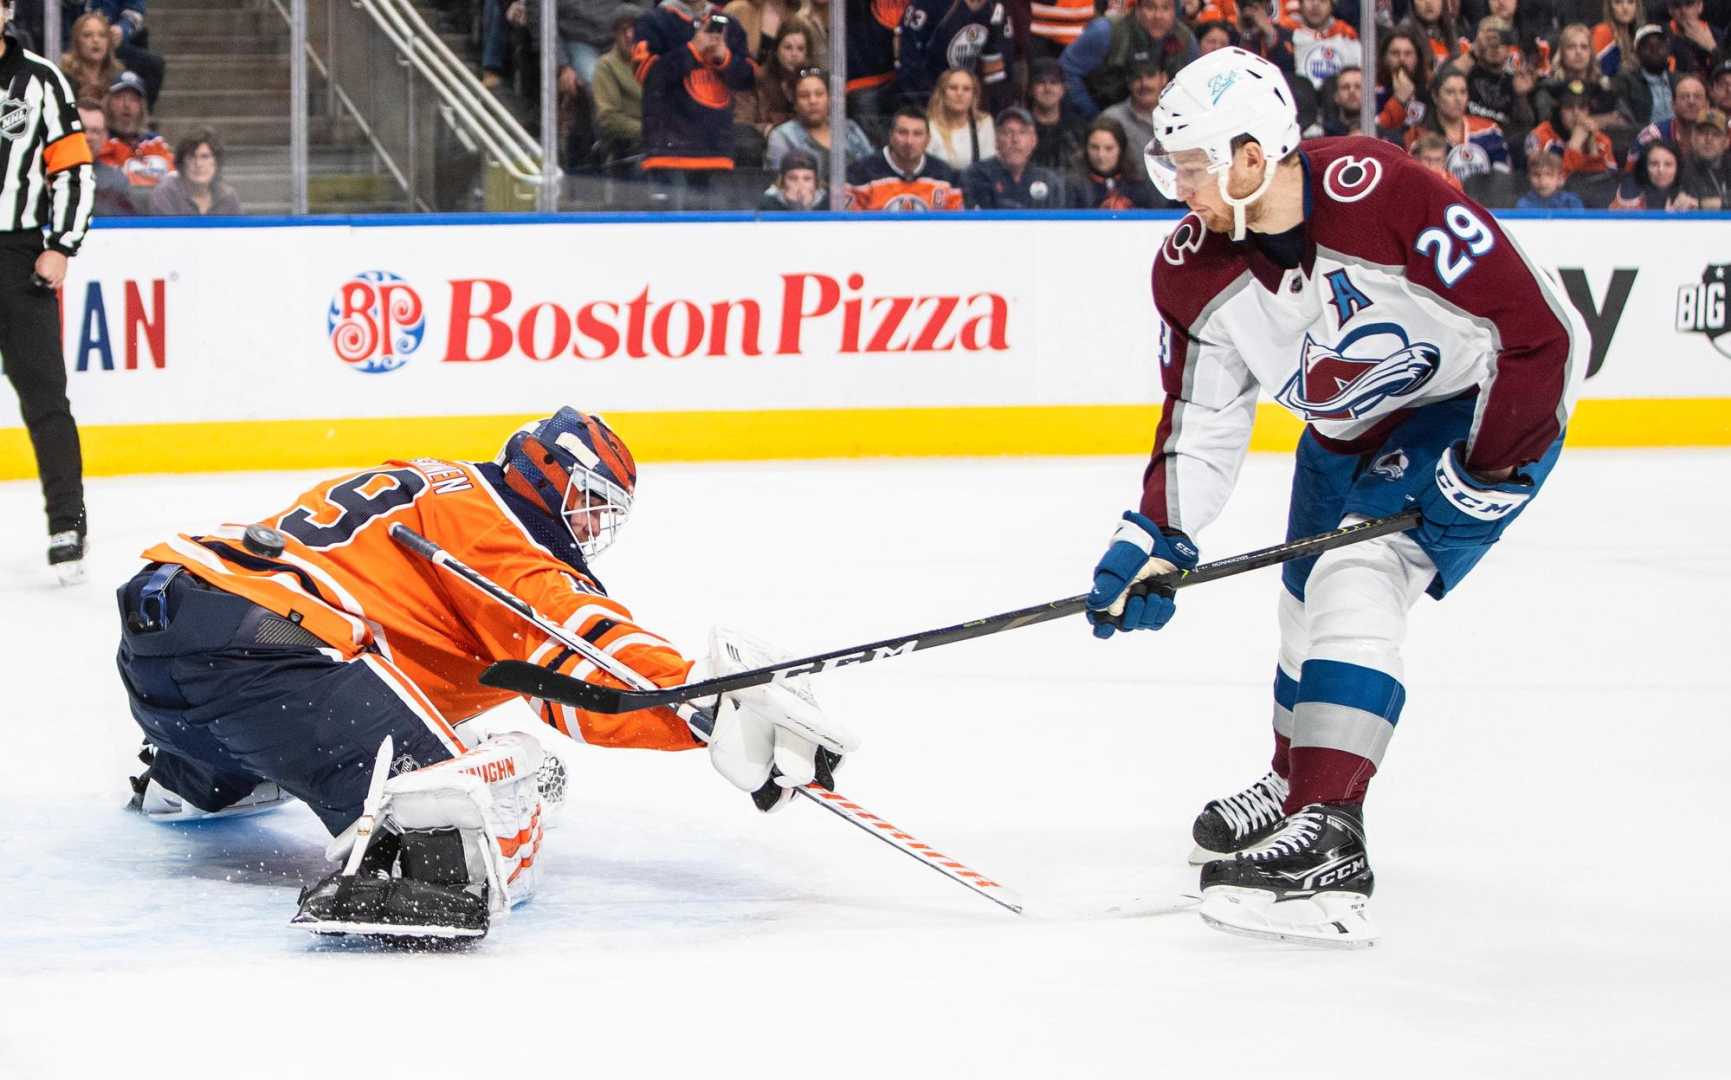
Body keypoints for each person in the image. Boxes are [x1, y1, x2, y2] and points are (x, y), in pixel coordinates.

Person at [1099, 46, 1585, 946]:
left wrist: (1487, 470)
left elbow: (1540, 333)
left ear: (1252, 156)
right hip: (1345, 426)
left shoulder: (1388, 195)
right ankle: (1293, 787)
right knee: (1299, 611)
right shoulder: (1188, 272)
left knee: (1354, 578)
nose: (1182, 190)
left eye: (1195, 169)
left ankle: (1330, 833)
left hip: (1472, 408)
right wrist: (1155, 534)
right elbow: (1200, 419)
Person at [116, 408, 860, 940]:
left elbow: (536, 675)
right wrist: (704, 708)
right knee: (476, 796)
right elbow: (581, 652)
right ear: (547, 476)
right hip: (270, 647)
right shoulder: (497, 532)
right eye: (589, 504)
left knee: (348, 693)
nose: (594, 528)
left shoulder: (431, 481)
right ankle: (401, 870)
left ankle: (192, 778)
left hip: (173, 638)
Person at [0, 8, 95, 584]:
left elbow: (74, 166)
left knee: (45, 399)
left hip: (16, 259)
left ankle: (67, 523)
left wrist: (61, 244)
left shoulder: (39, 79)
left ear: (7, 10)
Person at [634, 8, 754, 208]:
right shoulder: (654, 21)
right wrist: (693, 49)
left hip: (717, 154)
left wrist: (724, 58)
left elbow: (747, 79)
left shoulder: (729, 24)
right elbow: (650, 78)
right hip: (668, 156)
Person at [1060, 0, 1199, 118]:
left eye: (1166, 8)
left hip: (1165, 121)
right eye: (1150, 7)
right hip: (1104, 117)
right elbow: (1066, 70)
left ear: (1176, 11)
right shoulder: (1106, 31)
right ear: (1137, 8)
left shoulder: (1185, 39)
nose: (1158, 16)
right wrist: (1092, 114)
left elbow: (1197, 88)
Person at [896, 0, 1010, 112]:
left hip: (965, 104)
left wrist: (993, 112)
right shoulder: (928, 4)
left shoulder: (995, 8)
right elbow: (908, 60)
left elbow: (995, 71)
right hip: (925, 104)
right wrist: (929, 104)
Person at [844, 104, 964, 208]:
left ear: (928, 139)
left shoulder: (945, 176)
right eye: (902, 132)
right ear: (890, 136)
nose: (909, 141)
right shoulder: (860, 174)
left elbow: (958, 225)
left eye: (917, 134)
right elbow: (848, 226)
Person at [1407, 67, 1512, 182]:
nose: (1458, 99)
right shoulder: (1420, 135)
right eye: (1450, 92)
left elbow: (1502, 180)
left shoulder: (1489, 130)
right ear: (1435, 96)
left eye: (1463, 92)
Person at [765, 67, 874, 175]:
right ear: (795, 104)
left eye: (819, 94)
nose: (813, 101)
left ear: (829, 100)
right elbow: (777, 184)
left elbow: (873, 167)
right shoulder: (782, 136)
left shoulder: (850, 128)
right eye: (804, 96)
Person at [960, 106, 1066, 206]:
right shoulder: (977, 175)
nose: (1015, 139)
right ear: (996, 141)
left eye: (1022, 132)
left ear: (1033, 141)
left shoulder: (1048, 180)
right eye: (1007, 133)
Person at [1526, 80, 1618, 178]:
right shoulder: (1539, 136)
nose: (1576, 113)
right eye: (1569, 106)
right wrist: (1574, 145)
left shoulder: (1602, 140)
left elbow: (1608, 183)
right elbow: (1545, 182)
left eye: (1582, 107)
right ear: (1559, 110)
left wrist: (1592, 149)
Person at [1067, 114, 1164, 206]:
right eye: (1094, 147)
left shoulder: (1142, 184)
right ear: (1085, 148)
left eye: (1109, 148)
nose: (1101, 155)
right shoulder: (1072, 186)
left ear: (1121, 149)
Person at [99, 70, 172, 190]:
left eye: (133, 99)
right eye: (119, 98)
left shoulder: (155, 142)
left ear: (141, 106)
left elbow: (172, 176)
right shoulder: (100, 141)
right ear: (108, 103)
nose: (126, 105)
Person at [1100, 59, 1170, 181]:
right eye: (1137, 78)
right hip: (1130, 194)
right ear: (1128, 82)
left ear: (1163, 78)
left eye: (1150, 75)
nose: (1144, 84)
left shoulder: (1180, 115)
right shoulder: (1111, 119)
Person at [593, 4, 646, 162]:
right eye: (623, 30)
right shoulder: (606, 66)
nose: (629, 35)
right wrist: (649, 131)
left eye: (634, 29)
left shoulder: (655, 59)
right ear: (615, 34)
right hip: (630, 149)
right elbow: (608, 118)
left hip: (666, 143)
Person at [738, 18, 810, 133]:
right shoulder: (756, 79)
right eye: (788, 48)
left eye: (800, 49)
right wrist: (768, 130)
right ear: (776, 50)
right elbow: (742, 125)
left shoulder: (813, 82)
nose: (794, 54)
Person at [148, 129, 242, 215]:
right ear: (182, 162)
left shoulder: (228, 197)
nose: (198, 164)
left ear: (216, 162)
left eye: (205, 157)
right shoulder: (166, 194)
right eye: (191, 157)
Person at [77, 96, 138, 215]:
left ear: (105, 137)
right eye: (82, 130)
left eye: (95, 131)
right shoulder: (42, 175)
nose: (89, 137)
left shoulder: (117, 182)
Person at [1279, 0, 1360, 89]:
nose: (1315, 5)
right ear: (1300, 4)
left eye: (1323, 0)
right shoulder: (1284, 30)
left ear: (1332, 6)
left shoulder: (1346, 33)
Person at [926, 67, 996, 168]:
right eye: (953, 88)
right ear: (942, 93)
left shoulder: (984, 123)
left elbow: (989, 167)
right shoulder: (929, 126)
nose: (959, 93)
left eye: (966, 89)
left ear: (973, 95)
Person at [1028, 57, 1088, 169]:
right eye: (1041, 82)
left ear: (1063, 89)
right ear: (1030, 89)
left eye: (1054, 82)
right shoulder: (1020, 128)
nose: (1048, 88)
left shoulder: (1079, 129)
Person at [1373, 28, 1431, 138]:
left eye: (1408, 53)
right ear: (1384, 58)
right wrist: (1398, 100)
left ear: (1417, 59)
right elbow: (1371, 133)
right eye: (1395, 53)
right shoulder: (1371, 93)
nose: (1402, 59)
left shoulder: (1428, 94)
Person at [1611, 135, 1699, 204]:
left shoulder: (1692, 194)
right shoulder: (1628, 195)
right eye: (1654, 164)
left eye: (1668, 164)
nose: (1661, 170)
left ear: (1678, 168)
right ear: (1645, 167)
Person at [58, 11, 123, 103]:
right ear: (77, 42)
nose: (96, 40)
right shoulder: (63, 79)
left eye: (102, 35)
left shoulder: (118, 80)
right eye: (87, 35)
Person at [1681, 106, 1731, 203]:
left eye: (1716, 134)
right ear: (1693, 138)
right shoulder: (1680, 166)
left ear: (1726, 142)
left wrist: (1722, 202)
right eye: (1703, 133)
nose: (1708, 140)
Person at [759, 147, 828, 207]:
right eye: (793, 178)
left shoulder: (828, 204)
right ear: (783, 181)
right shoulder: (768, 204)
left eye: (807, 179)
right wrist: (792, 205)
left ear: (815, 182)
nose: (800, 184)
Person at [1664, 0, 1719, 75]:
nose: (1683, 11)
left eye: (1689, 4)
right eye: (1676, 5)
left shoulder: (1717, 35)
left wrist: (1713, 48)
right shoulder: (1661, 36)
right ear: (1670, 9)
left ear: (1700, 6)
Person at [1514, 148, 1586, 205]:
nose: (1542, 180)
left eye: (1549, 174)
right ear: (1529, 177)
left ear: (1560, 178)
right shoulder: (1524, 203)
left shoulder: (1571, 201)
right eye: (1536, 175)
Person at [1593, 0, 1645, 76]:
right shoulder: (1602, 32)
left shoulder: (1640, 35)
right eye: (1618, 2)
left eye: (1630, 2)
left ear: (1637, 6)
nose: (1625, 7)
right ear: (1610, 7)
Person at [1317, 65, 1365, 135]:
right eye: (1345, 87)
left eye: (1358, 87)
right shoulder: (1324, 132)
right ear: (1336, 96)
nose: (1352, 91)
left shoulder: (1381, 128)